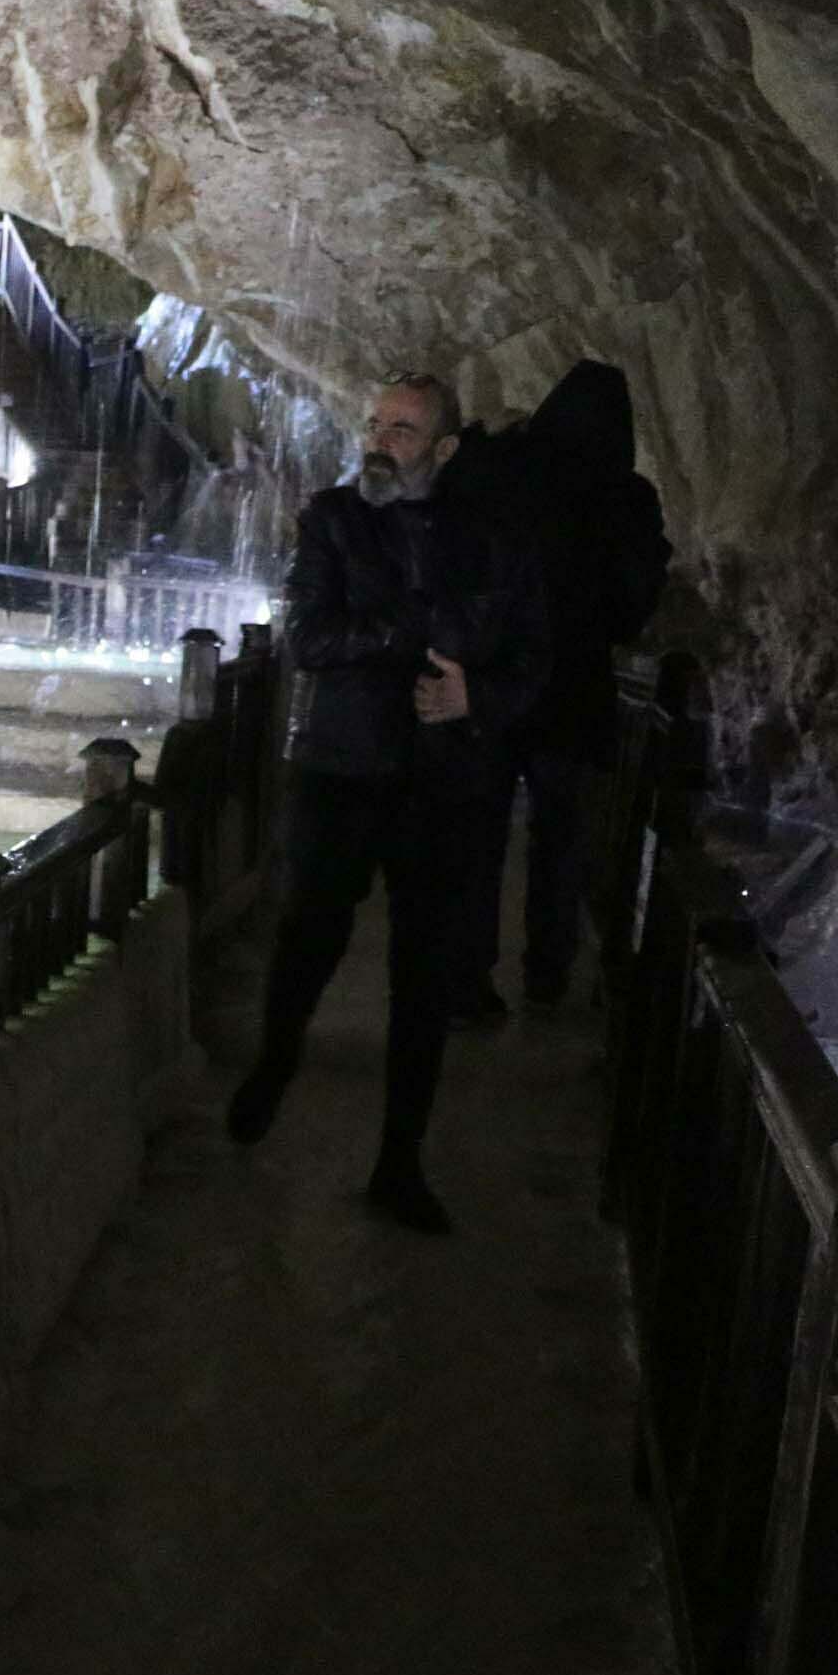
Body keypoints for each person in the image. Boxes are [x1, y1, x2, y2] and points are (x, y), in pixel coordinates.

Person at [226, 371, 548, 1234]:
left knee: (426, 976)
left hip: (443, 788)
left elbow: (533, 660)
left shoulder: (490, 542)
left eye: (402, 430)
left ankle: (399, 1162)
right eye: (373, 424)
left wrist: (471, 697)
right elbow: (313, 638)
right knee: (308, 936)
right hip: (339, 770)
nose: (379, 440)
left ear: (443, 450)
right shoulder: (333, 520)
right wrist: (408, 638)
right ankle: (276, 1059)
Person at [453, 361, 670, 1016]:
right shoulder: (623, 498)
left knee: (478, 835)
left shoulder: (500, 468)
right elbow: (634, 603)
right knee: (560, 839)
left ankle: (466, 981)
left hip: (491, 683)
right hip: (572, 690)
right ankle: (548, 972)